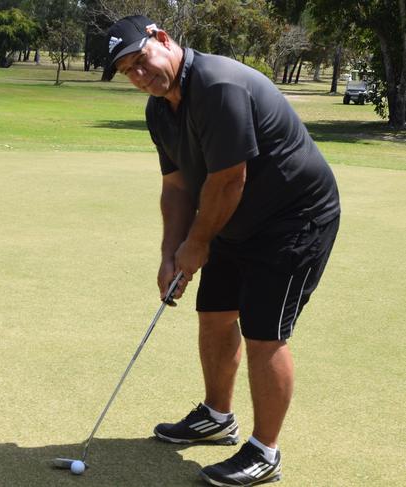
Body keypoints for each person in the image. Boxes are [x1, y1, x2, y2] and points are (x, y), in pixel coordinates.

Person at [106, 15, 340, 486]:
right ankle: (217, 416)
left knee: (264, 332)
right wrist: (170, 253)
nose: (139, 74)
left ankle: (264, 451)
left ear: (163, 39)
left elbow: (230, 178)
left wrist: (197, 244)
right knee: (214, 315)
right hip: (231, 221)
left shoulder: (218, 85)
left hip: (293, 218)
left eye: (141, 59)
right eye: (127, 69)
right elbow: (176, 188)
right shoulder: (160, 109)